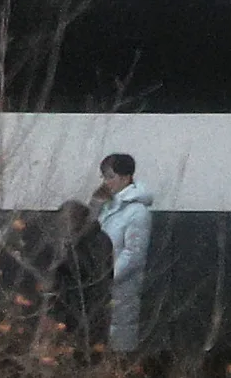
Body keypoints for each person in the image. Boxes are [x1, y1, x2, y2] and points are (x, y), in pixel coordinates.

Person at [96, 154, 158, 359]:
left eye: (110, 176)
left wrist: (108, 276)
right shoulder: (108, 207)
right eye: (104, 177)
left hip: (122, 289)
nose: (106, 182)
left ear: (125, 178)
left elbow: (133, 254)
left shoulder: (137, 212)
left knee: (119, 349)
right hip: (104, 288)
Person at [43, 197, 115, 356]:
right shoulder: (74, 242)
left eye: (65, 221)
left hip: (89, 311)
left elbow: (93, 273)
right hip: (68, 310)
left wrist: (66, 258)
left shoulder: (97, 241)